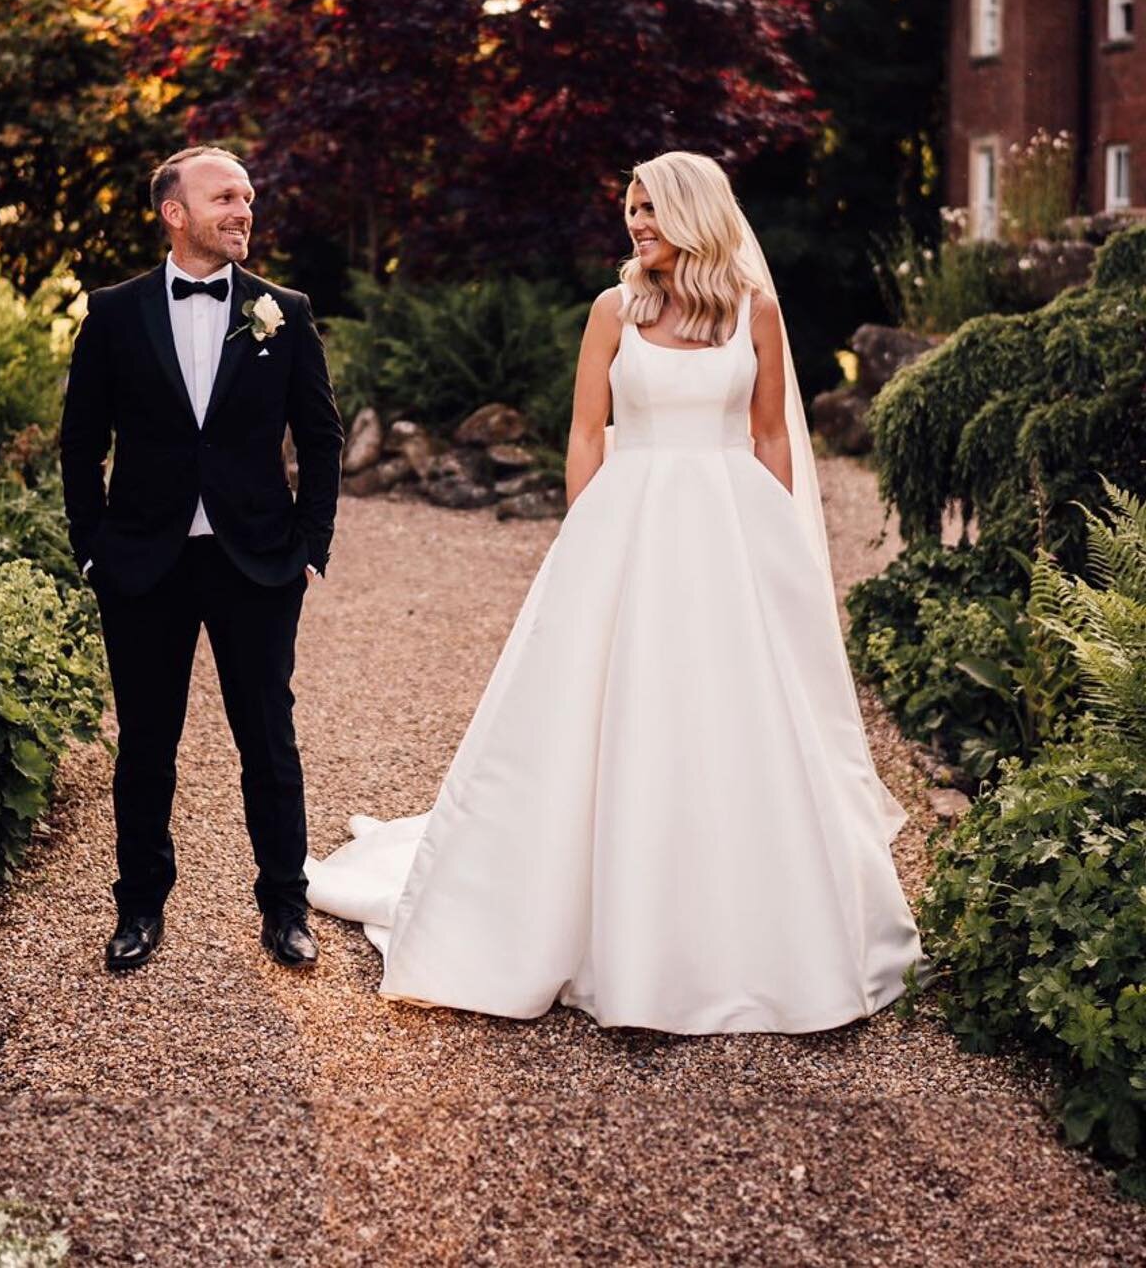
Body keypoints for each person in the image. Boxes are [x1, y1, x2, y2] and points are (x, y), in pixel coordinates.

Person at [307, 149, 924, 1033]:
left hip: (728, 529)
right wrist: (584, 531)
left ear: (695, 213)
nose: (636, 222)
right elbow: (586, 434)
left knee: (729, 710)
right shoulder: (615, 309)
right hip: (626, 525)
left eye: (651, 208)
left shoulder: (757, 310)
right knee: (608, 706)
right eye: (631, 208)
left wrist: (785, 544)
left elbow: (772, 437)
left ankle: (748, 929)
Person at [60, 145, 343, 974]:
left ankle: (286, 909)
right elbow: (81, 443)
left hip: (256, 560)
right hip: (141, 563)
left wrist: (311, 548)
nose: (243, 210)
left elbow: (321, 439)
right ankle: (139, 908)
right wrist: (91, 550)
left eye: (248, 197)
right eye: (224, 197)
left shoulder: (281, 309)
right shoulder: (115, 312)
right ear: (174, 212)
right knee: (147, 742)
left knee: (269, 739)